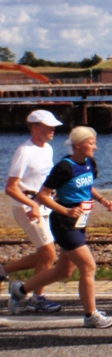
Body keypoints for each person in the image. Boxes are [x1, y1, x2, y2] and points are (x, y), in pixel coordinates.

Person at [8, 127, 112, 328]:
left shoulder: (89, 163)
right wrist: (65, 211)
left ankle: (20, 290)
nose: (95, 146)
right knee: (89, 267)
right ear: (78, 144)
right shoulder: (64, 167)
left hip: (80, 222)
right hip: (63, 224)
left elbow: (86, 185)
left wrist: (101, 199)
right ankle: (91, 315)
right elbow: (42, 195)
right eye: (91, 143)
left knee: (64, 271)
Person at [3, 109, 62, 313]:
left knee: (43, 254)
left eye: (54, 127)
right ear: (35, 128)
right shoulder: (24, 151)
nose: (53, 130)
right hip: (26, 208)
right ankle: (37, 297)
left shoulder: (48, 149)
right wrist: (34, 205)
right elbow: (10, 187)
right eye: (49, 127)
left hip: (42, 206)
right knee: (48, 253)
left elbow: (44, 180)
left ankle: (3, 272)